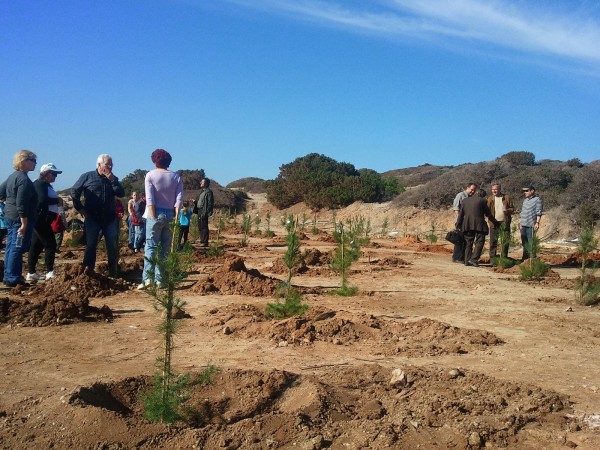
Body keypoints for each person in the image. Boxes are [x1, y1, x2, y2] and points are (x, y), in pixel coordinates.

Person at [71, 154, 125, 276]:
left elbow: (121, 193)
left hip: (110, 218)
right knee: (91, 245)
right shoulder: (87, 176)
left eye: (111, 164)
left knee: (112, 246)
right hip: (92, 218)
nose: (110, 167)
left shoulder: (113, 179)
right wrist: (80, 208)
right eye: (107, 164)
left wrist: (112, 180)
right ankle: (88, 273)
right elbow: (74, 191)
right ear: (99, 165)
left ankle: (113, 272)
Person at [138, 149, 183, 289]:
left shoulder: (150, 175)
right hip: (170, 214)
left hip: (155, 213)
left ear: (154, 160)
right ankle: (160, 280)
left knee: (151, 246)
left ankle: (147, 279)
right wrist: (176, 215)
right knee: (165, 248)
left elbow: (150, 198)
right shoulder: (176, 177)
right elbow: (179, 199)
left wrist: (153, 215)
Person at [0, 150, 38, 287]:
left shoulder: (13, 176)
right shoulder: (23, 179)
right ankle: (12, 277)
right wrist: (23, 221)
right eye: (33, 160)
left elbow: (1, 191)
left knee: (11, 246)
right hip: (18, 219)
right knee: (17, 246)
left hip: (10, 216)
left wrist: (6, 203)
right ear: (23, 161)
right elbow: (21, 201)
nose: (35, 163)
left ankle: (9, 275)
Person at [26, 163, 63, 281]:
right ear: (46, 174)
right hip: (41, 220)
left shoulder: (45, 184)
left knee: (36, 245)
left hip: (42, 220)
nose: (55, 177)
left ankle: (31, 272)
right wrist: (57, 200)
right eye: (53, 174)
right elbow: (41, 200)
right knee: (51, 244)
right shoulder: (39, 184)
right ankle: (49, 272)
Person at [457, 188, 499, 267]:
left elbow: (461, 214)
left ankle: (466, 260)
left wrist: (458, 224)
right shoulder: (482, 201)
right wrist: (495, 222)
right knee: (480, 241)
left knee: (468, 242)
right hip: (479, 225)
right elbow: (488, 214)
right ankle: (474, 259)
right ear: (482, 195)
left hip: (467, 224)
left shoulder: (465, 201)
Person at [487, 183, 515, 260]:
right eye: (492, 189)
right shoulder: (490, 199)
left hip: (504, 222)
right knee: (493, 241)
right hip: (494, 223)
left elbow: (512, 209)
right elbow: (487, 210)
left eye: (495, 189)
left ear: (499, 189)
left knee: (505, 241)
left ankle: (503, 258)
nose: (494, 191)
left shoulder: (506, 197)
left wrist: (507, 210)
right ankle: (493, 259)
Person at [452, 183, 477, 263]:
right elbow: (456, 209)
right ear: (467, 188)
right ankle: (457, 258)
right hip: (461, 222)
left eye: (474, 190)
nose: (472, 191)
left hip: (468, 222)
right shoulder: (460, 195)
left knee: (466, 240)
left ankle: (463, 257)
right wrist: (460, 221)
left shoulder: (472, 197)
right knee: (460, 240)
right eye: (471, 189)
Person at [519, 184, 543, 261]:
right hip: (523, 225)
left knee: (531, 243)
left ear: (532, 191)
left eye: (526, 191)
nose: (525, 192)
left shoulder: (537, 200)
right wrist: (520, 222)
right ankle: (525, 259)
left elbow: (538, 212)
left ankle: (532, 259)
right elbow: (522, 212)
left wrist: (537, 223)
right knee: (524, 242)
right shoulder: (525, 200)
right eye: (524, 191)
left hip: (531, 225)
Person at [193, 177, 214, 247]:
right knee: (200, 226)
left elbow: (210, 203)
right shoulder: (201, 191)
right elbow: (200, 201)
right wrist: (195, 202)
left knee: (204, 227)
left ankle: (205, 242)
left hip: (204, 211)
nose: (200, 183)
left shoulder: (209, 192)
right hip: (199, 210)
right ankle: (202, 241)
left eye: (202, 182)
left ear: (206, 183)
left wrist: (207, 212)